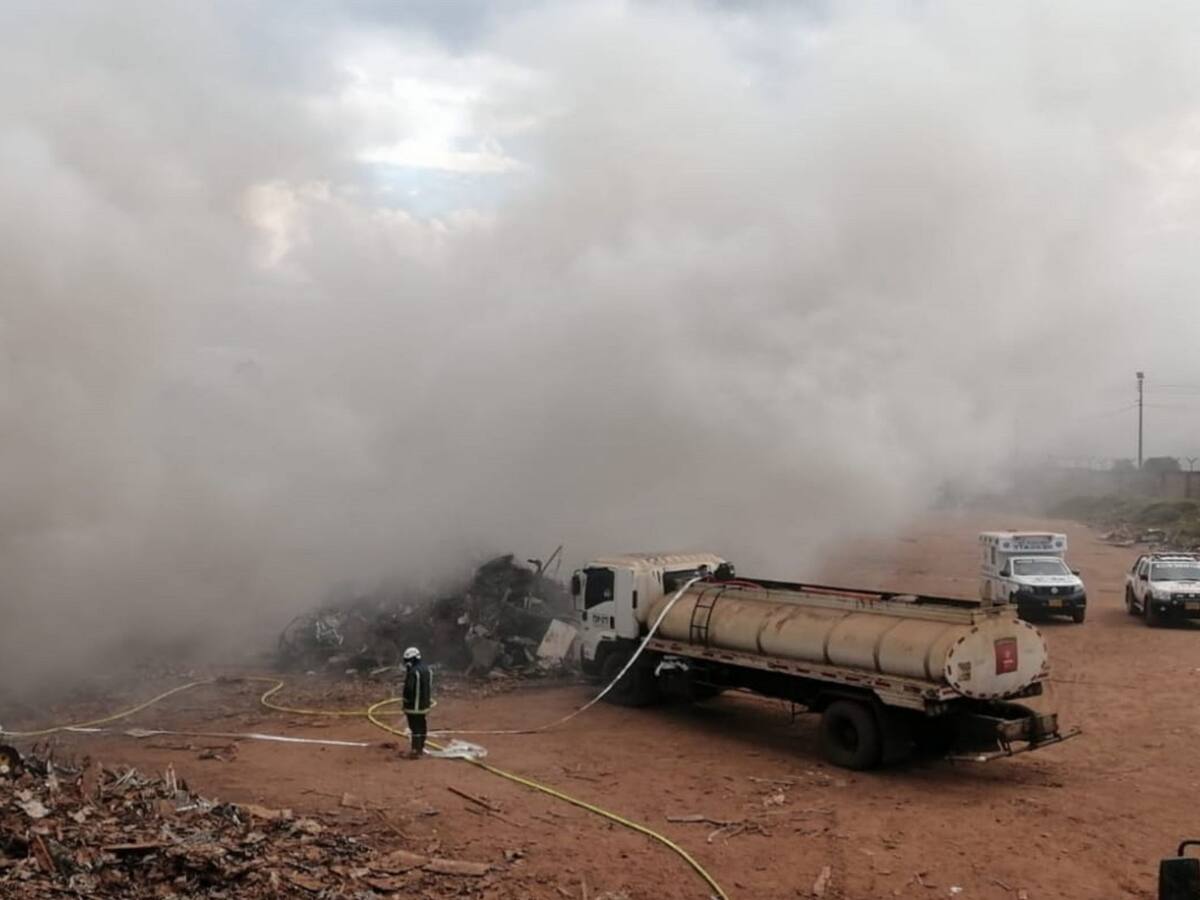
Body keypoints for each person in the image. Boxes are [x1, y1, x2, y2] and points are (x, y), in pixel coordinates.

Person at [401, 646, 433, 759]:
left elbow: (409, 689)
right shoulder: (427, 669)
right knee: (422, 725)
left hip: (413, 706)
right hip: (424, 705)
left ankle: (415, 750)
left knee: (414, 727)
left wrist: (405, 701)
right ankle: (421, 747)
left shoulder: (413, 672)